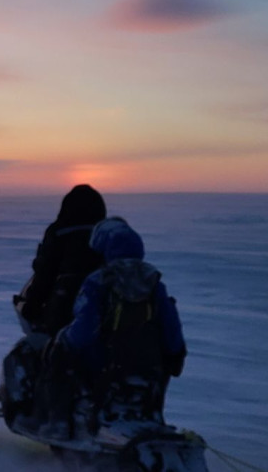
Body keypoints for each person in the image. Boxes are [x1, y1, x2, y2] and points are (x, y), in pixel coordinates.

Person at [29, 216, 187, 440]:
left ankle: (58, 423)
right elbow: (172, 326)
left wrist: (64, 340)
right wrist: (175, 354)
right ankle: (151, 417)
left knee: (59, 349)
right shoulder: (154, 283)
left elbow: (84, 330)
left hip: (105, 361)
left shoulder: (98, 281)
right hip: (147, 364)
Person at [19, 185, 108, 336]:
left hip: (64, 312)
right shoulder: (108, 232)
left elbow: (45, 272)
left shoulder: (58, 232)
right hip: (106, 313)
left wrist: (31, 308)